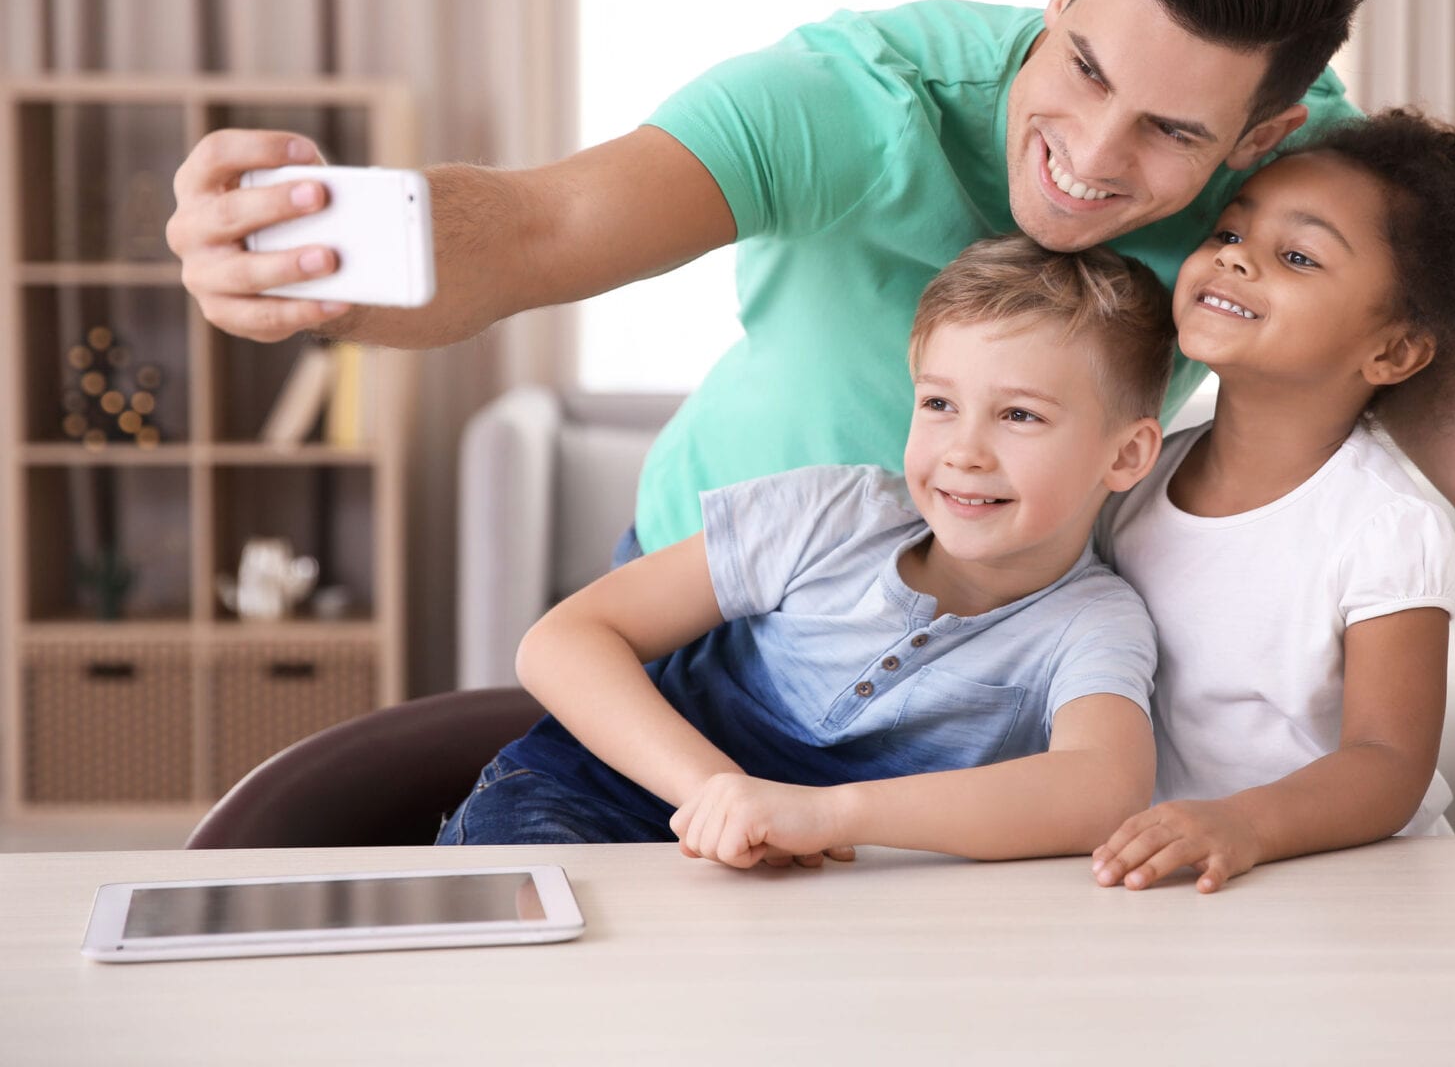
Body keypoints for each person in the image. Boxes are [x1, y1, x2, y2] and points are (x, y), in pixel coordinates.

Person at [168, 0, 1455, 902]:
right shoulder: (849, 94)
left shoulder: (1305, 212)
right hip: (728, 622)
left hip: (991, 693)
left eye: (1173, 132)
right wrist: (309, 266)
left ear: (1264, 133)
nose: (1092, 158)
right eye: (1085, 67)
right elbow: (534, 232)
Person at [1083, 112, 1455, 893]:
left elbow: (1388, 766)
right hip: (1172, 880)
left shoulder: (1385, 528)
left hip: (1346, 890)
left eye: (1298, 256)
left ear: (1394, 351)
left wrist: (1242, 822)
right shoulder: (1131, 478)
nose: (1235, 263)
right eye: (1230, 235)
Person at [437, 236, 1172, 864]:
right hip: (582, 801)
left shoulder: (1094, 620)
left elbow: (1102, 788)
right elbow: (561, 640)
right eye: (939, 404)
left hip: (815, 874)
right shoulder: (828, 513)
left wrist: (828, 816)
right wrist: (722, 796)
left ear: (1127, 455)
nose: (964, 452)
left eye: (1019, 415)